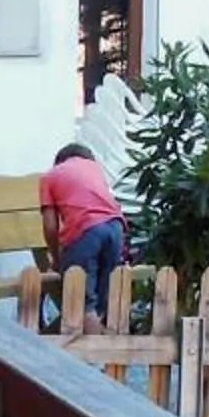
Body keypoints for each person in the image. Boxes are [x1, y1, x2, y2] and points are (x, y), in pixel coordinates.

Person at [39, 139, 128, 325]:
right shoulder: (95, 169)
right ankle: (106, 349)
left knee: (84, 303)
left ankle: (89, 354)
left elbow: (50, 226)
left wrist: (56, 259)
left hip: (87, 231)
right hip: (116, 228)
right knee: (102, 302)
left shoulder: (50, 176)